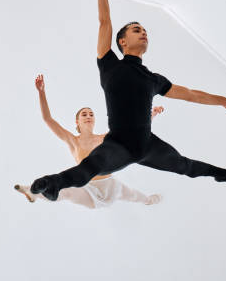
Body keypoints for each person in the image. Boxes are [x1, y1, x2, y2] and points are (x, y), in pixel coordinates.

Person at [30, 0, 226, 201]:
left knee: (185, 166)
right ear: (122, 42)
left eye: (144, 30)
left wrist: (224, 100)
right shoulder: (109, 63)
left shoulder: (153, 79)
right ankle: (51, 184)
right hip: (118, 145)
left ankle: (223, 174)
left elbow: (191, 94)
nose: (143, 32)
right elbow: (105, 22)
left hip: (147, 145)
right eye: (136, 30)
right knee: (90, 167)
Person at [15, 74, 162, 208]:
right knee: (67, 191)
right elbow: (48, 119)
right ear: (77, 122)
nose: (88, 116)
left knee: (132, 195)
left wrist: (152, 115)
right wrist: (41, 92)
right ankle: (33, 192)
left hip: (110, 186)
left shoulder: (104, 138)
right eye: (84, 114)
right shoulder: (73, 141)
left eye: (91, 114)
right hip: (88, 191)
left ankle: (149, 200)